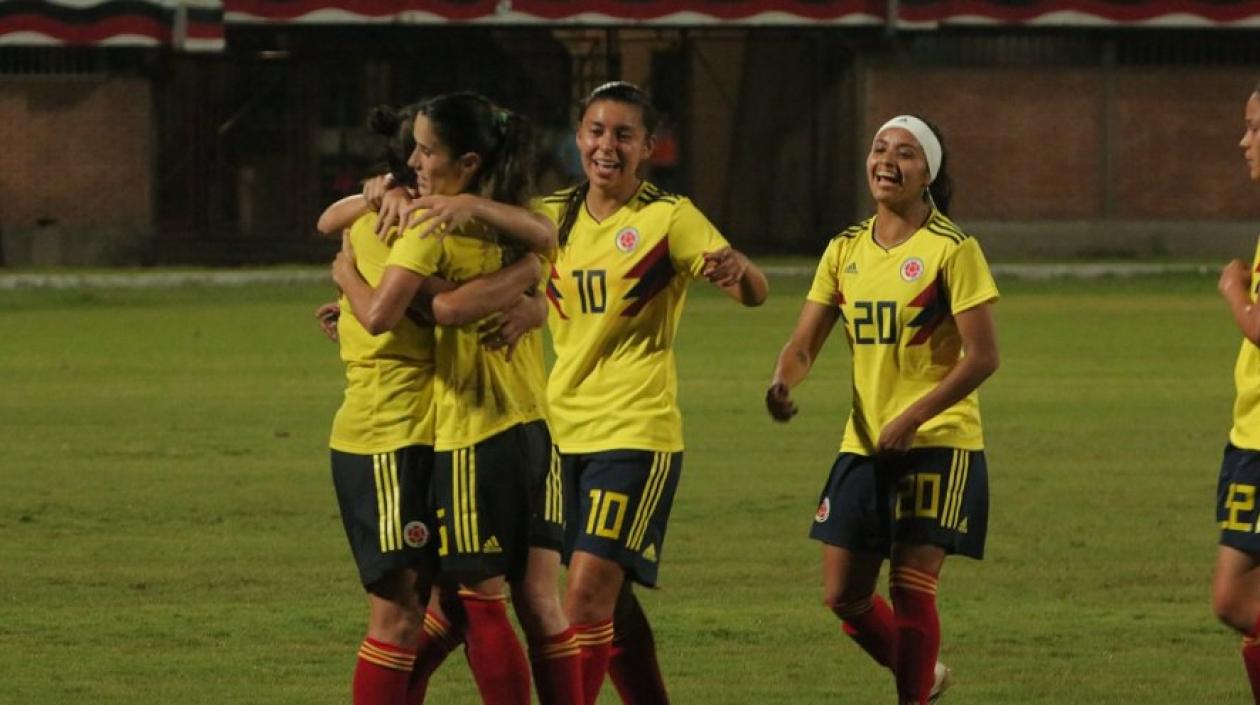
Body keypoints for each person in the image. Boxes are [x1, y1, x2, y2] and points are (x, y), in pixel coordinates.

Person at [332, 92, 581, 705]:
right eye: (411, 149)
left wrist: (346, 278)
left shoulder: (424, 225)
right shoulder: (514, 223)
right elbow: (548, 238)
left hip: (455, 431)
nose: (415, 160)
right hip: (533, 429)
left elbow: (418, 309)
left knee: (462, 603)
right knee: (532, 601)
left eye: (426, 150)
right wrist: (528, 285)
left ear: (464, 161)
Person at [531, 80, 769, 705]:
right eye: (596, 131)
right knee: (613, 598)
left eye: (623, 135)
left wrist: (738, 272)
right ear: (577, 137)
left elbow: (755, 291)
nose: (607, 146)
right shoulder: (548, 215)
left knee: (581, 597)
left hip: (635, 433)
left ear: (648, 147)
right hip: (559, 434)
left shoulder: (668, 217)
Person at [765, 115, 999, 705]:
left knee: (912, 586)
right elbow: (803, 343)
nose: (888, 159)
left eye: (907, 153)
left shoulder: (952, 249)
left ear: (929, 175)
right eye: (879, 148)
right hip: (865, 441)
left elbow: (983, 357)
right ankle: (926, 677)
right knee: (843, 595)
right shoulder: (844, 250)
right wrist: (783, 380)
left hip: (938, 441)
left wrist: (913, 417)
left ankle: (912, 695)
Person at [1212, 80, 1260, 704]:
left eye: (1254, 128)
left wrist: (1233, 289)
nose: (1244, 140)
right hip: (1247, 437)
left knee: (1232, 598)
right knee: (1235, 599)